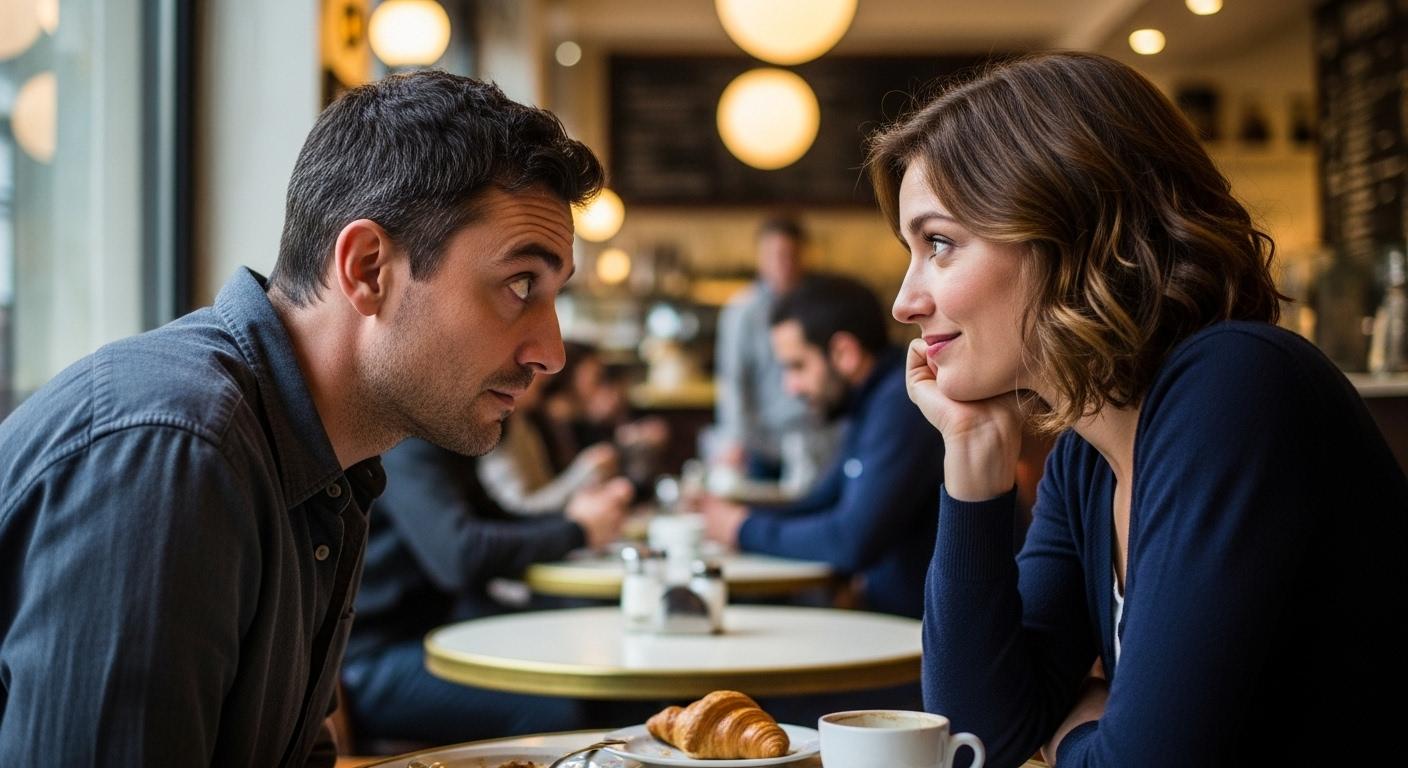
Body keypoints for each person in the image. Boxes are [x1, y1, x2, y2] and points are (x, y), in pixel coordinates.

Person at [0, 70, 603, 765]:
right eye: (521, 285)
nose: (552, 352)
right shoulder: (174, 453)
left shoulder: (327, 459)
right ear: (369, 268)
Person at [869, 51, 1408, 767]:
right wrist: (971, 456)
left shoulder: (1234, 386)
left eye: (939, 243)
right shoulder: (1088, 460)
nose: (907, 301)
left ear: (1071, 226)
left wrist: (1071, 728)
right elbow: (979, 738)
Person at [342, 437, 631, 745]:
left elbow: (497, 520)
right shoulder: (405, 447)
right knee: (556, 712)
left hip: (431, 635)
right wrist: (577, 530)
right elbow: (458, 556)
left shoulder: (445, 445)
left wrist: (574, 523)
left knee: (589, 667)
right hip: (374, 660)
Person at [697, 274, 945, 618]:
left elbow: (851, 539)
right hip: (896, 624)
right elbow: (822, 503)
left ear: (844, 352)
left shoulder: (904, 403)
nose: (791, 387)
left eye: (797, 366)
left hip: (918, 643)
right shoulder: (871, 402)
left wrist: (741, 528)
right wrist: (732, 514)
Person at [713, 217, 836, 483]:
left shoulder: (819, 306)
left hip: (816, 437)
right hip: (762, 442)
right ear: (760, 257)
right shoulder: (741, 312)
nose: (784, 263)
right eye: (775, 255)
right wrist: (734, 439)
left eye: (791, 254)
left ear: (803, 255)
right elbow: (733, 380)